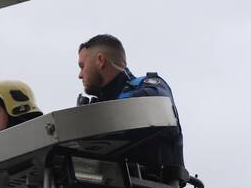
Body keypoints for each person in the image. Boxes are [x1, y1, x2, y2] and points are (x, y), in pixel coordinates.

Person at [76, 34, 184, 171]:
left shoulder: (150, 87)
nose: (80, 75)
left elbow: (151, 106)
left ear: (100, 60)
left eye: (82, 66)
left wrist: (94, 116)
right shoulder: (98, 106)